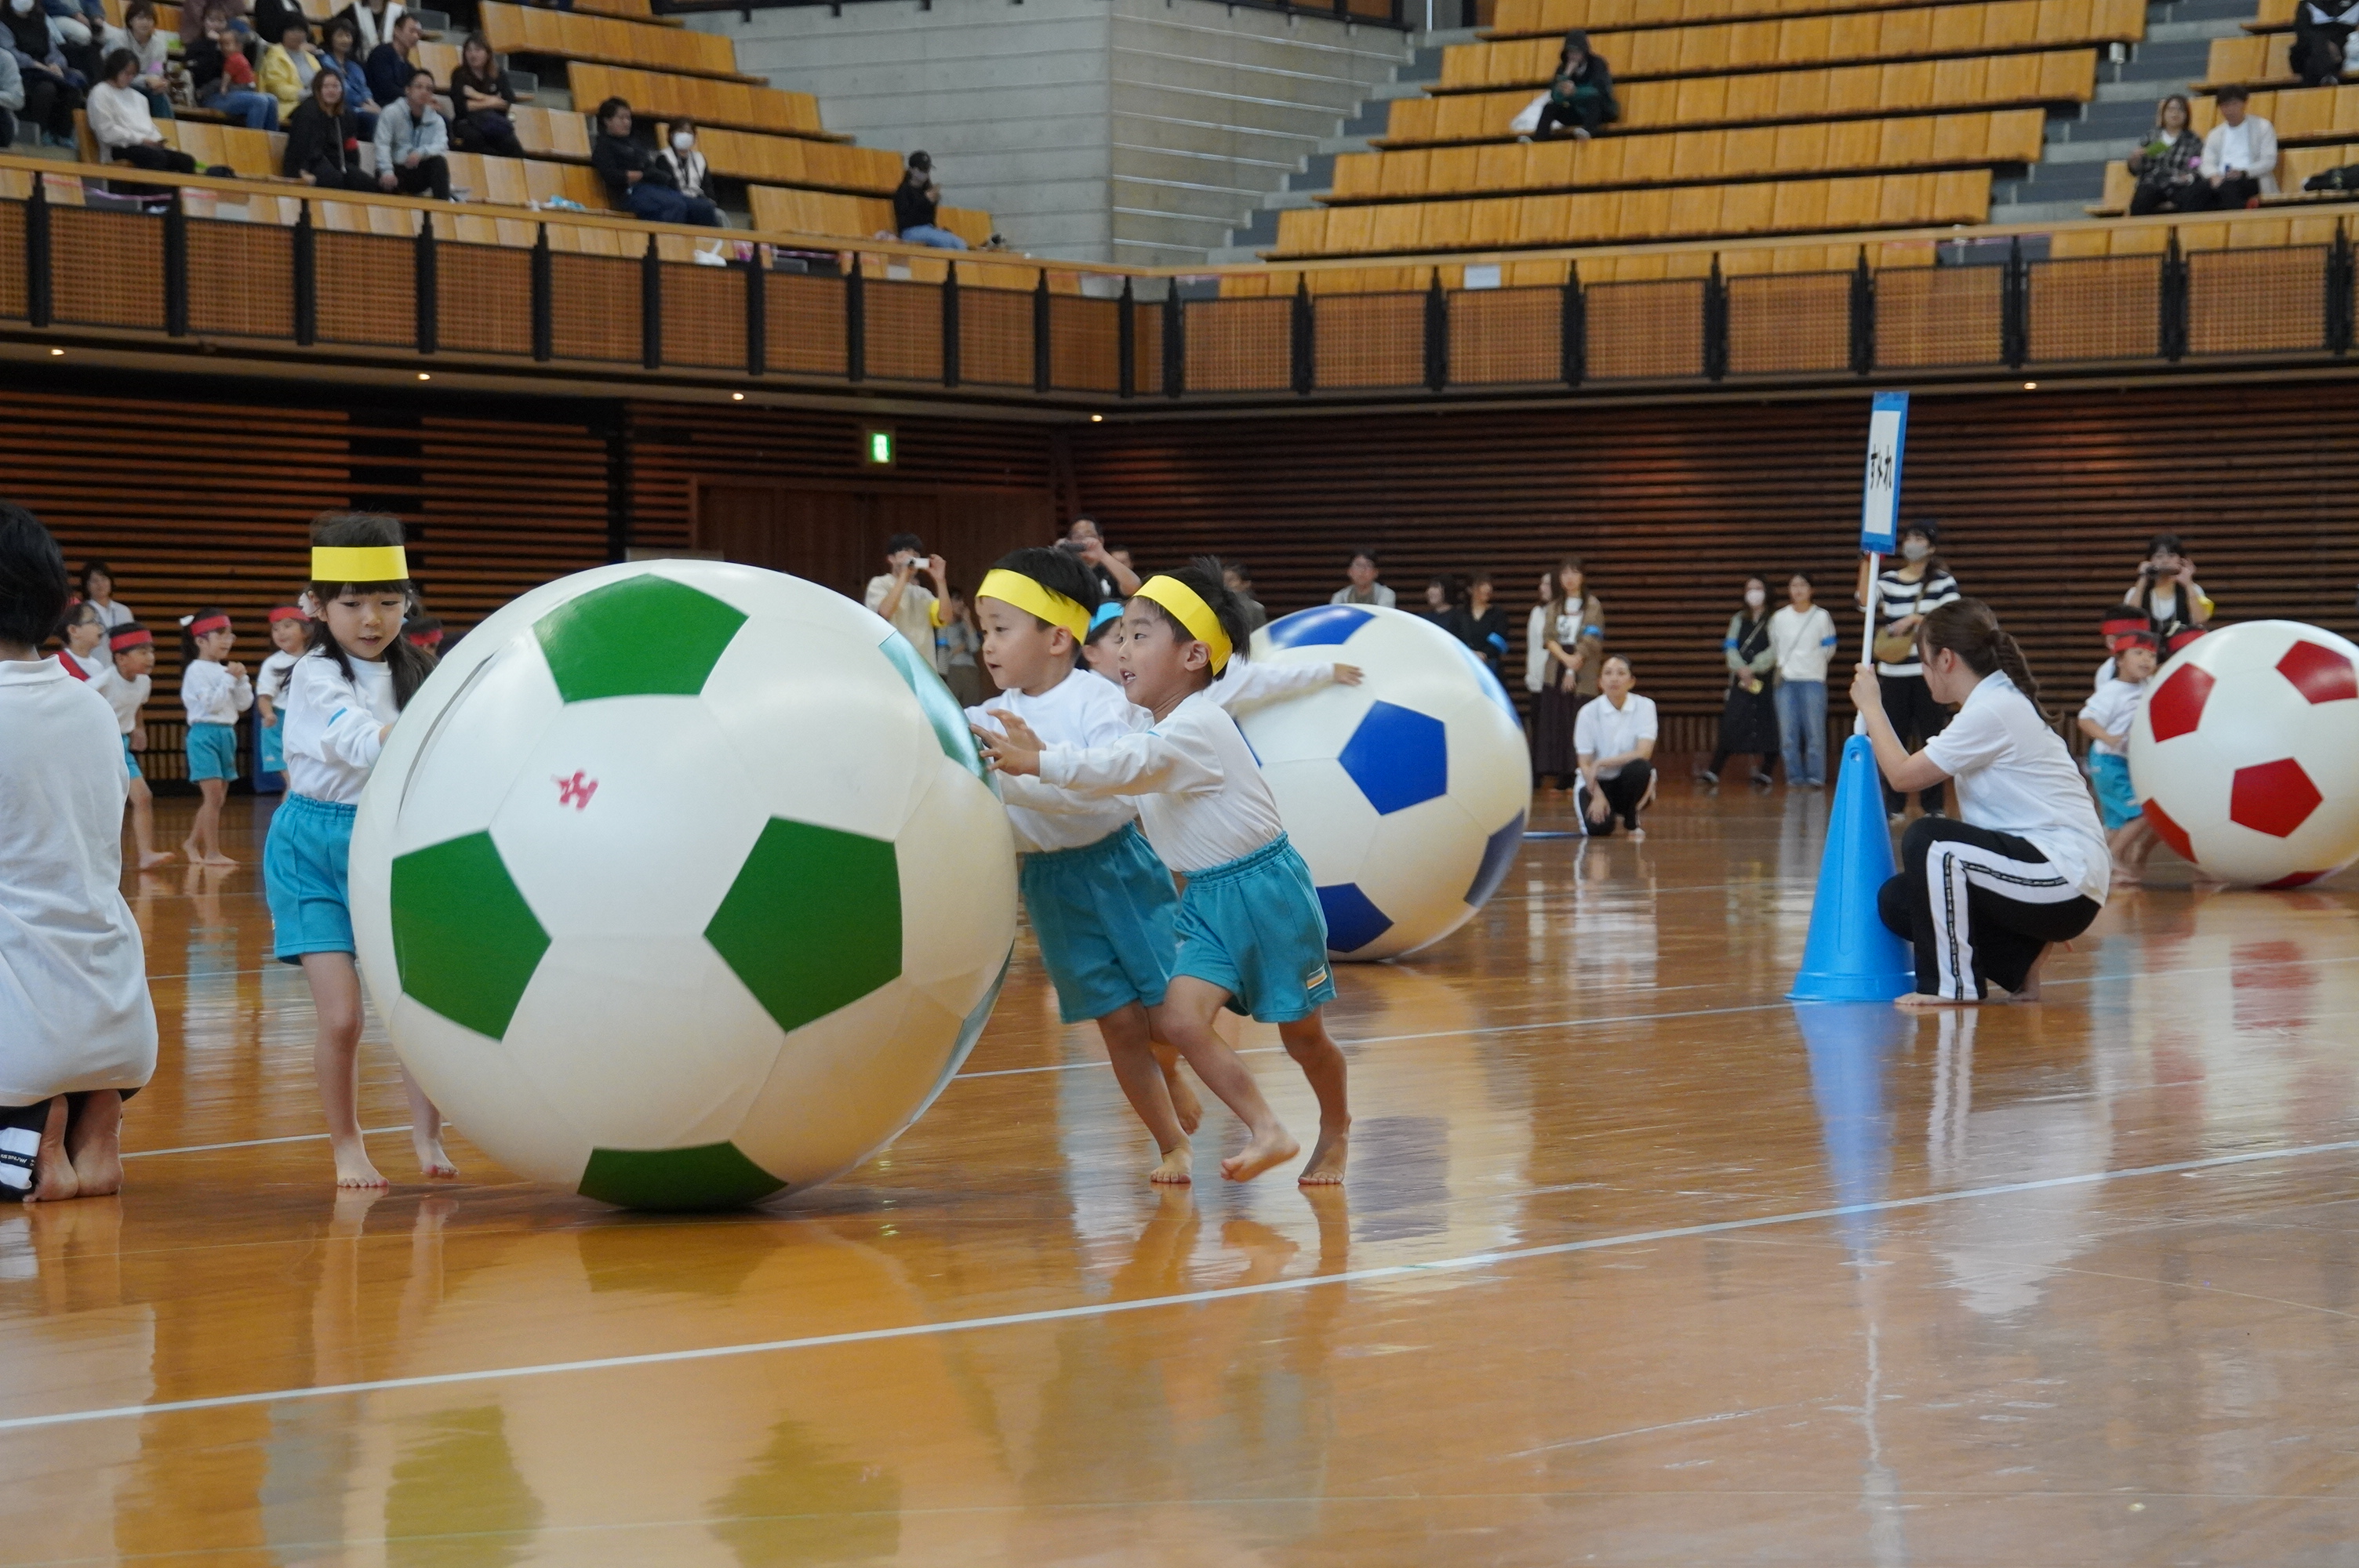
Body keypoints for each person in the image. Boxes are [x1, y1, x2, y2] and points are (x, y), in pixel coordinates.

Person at [976, 561, 1350, 1185]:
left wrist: (1038, 761)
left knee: (1303, 1039)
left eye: (1140, 637)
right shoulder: (1154, 723)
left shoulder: (1196, 726)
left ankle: (1336, 1128)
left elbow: (1121, 766)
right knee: (1177, 1020)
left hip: (1266, 892)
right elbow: (1120, 758)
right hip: (1207, 899)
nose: (1122, 650)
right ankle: (1268, 1129)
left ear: (1193, 656)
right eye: (1120, 636)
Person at [960, 550, 1203, 1175]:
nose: (988, 645)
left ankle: (1172, 1068)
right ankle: (1171, 1143)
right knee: (1116, 1024)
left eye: (1001, 628)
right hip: (1051, 885)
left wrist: (1034, 769)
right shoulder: (984, 719)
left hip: (1119, 869)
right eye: (983, 630)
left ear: (1057, 638)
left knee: (1164, 1016)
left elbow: (1111, 791)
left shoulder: (1098, 702)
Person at [267, 513, 455, 1188]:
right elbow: (355, 740)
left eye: (387, 601)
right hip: (310, 848)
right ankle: (347, 1145)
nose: (371, 619)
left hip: (386, 843)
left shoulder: (422, 671)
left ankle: (428, 1135)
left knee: (412, 1009)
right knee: (343, 1017)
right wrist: (433, 725)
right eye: (352, 604)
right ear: (317, 606)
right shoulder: (314, 673)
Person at [0, 502, 153, 1203]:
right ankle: (90, 1125)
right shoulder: (92, 707)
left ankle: (31, 1133)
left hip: (22, 1037)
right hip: (120, 1020)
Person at [1855, 598, 2108, 1008]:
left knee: (1931, 840)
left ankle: (1953, 985)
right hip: (2043, 875)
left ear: (1946, 659)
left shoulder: (1993, 709)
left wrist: (1871, 707)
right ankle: (2021, 962)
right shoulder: (1990, 704)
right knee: (1899, 900)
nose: (1924, 674)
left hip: (2061, 877)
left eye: (1924, 662)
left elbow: (1902, 777)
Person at [1857, 518, 1959, 821]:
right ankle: (1894, 804)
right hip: (1893, 674)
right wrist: (1867, 561)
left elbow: (1952, 618)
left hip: (1929, 674)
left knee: (1932, 739)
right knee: (1893, 737)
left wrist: (1915, 620)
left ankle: (1933, 805)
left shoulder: (1943, 582)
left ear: (1931, 547)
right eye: (1909, 538)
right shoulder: (1888, 580)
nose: (1912, 544)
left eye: (1919, 539)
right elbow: (1864, 602)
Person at [2078, 627, 2160, 886]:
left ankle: (2099, 868)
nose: (2146, 660)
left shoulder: (2147, 686)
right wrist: (2108, 737)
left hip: (2122, 763)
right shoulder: (2112, 691)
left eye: (2151, 655)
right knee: (2143, 812)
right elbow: (2085, 719)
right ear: (2120, 660)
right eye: (2138, 653)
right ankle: (2113, 857)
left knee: (2116, 823)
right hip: (2107, 762)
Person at [177, 607, 249, 866]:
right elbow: (211, 704)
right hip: (204, 735)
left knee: (218, 799)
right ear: (201, 641)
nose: (227, 641)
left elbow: (243, 703)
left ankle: (191, 843)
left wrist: (241, 681)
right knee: (213, 797)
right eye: (221, 635)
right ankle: (212, 852)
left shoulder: (225, 671)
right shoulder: (196, 670)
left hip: (226, 734)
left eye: (230, 635)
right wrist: (230, 680)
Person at [1529, 557, 1602, 790]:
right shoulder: (1554, 606)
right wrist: (1565, 659)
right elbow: (1548, 637)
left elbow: (1591, 638)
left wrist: (1573, 664)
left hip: (1582, 668)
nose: (1569, 578)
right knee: (1557, 721)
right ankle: (1560, 771)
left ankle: (1578, 770)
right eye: (1565, 573)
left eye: (1574, 573)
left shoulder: (1592, 604)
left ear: (1582, 576)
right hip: (1556, 667)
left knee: (1578, 719)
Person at [590, 96, 720, 226]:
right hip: (632, 193)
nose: (627, 122)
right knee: (675, 205)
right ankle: (668, 238)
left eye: (628, 118)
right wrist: (642, 175)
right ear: (607, 121)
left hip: (655, 190)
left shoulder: (635, 144)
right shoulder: (604, 147)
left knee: (704, 208)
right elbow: (612, 175)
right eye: (621, 118)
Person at [104, 622, 171, 869]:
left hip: (121, 745)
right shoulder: (103, 681)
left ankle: (145, 854)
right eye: (142, 652)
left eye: (151, 651)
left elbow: (137, 705)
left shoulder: (144, 682)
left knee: (142, 796)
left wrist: (138, 728)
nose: (150, 657)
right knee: (105, 804)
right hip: (101, 746)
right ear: (121, 658)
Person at [1702, 575, 1778, 789]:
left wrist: (1754, 668)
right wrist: (1741, 669)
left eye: (1758, 588)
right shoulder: (1738, 618)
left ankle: (1766, 772)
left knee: (1768, 723)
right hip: (1740, 679)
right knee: (1732, 722)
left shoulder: (1775, 619)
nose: (1754, 593)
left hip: (1765, 679)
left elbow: (1776, 649)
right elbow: (1730, 646)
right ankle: (1714, 770)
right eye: (1749, 589)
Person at [1768, 570, 1837, 789]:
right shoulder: (1779, 617)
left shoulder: (1821, 616)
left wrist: (1815, 664)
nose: (1798, 590)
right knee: (1788, 734)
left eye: (1803, 585)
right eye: (1794, 585)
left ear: (1811, 590)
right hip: (1786, 681)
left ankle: (1816, 777)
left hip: (1813, 680)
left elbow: (1829, 647)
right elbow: (1775, 645)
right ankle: (1794, 777)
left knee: (1815, 732)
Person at [1574, 653, 1655, 838]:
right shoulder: (1587, 712)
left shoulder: (1645, 706)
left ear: (1631, 681)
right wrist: (1597, 795)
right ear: (1600, 682)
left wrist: (1601, 762)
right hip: (1594, 782)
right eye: (1608, 673)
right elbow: (1585, 763)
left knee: (1641, 768)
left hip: (1625, 780)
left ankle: (1630, 816)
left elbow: (1644, 752)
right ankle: (1604, 811)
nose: (1614, 679)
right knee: (1599, 830)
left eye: (1621, 673)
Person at [88, 47, 196, 172]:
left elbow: (148, 126)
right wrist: (140, 140)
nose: (130, 78)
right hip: (119, 146)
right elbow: (106, 132)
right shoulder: (100, 92)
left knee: (186, 161)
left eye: (133, 74)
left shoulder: (139, 98)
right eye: (126, 73)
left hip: (145, 145)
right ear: (114, 70)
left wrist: (157, 141)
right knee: (156, 158)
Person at [5, 0, 83, 148]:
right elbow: (10, 52)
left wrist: (56, 64)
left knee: (72, 89)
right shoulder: (3, 22)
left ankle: (63, 135)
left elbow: (52, 48)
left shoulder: (40, 19)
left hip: (46, 69)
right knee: (46, 89)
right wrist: (36, 65)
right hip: (21, 71)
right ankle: (40, 133)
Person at [863, 532, 949, 667]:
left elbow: (945, 617)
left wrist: (940, 580)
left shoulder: (923, 594)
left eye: (916, 554)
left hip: (924, 666)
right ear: (891, 558)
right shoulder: (880, 583)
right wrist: (904, 574)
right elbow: (885, 612)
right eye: (906, 552)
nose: (912, 557)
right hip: (892, 664)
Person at [284, 66, 373, 189]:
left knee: (365, 182)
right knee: (333, 179)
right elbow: (299, 146)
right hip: (309, 163)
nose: (331, 91)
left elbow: (350, 147)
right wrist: (302, 171)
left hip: (335, 161)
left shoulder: (346, 114)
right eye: (326, 87)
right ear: (318, 89)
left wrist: (353, 171)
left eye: (335, 86)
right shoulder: (308, 111)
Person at [2117, 532, 2212, 646]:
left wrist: (2188, 584)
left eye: (2171, 556)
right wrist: (2143, 578)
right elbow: (2130, 622)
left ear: (2181, 560)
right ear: (2150, 561)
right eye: (2159, 556)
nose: (2165, 560)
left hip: (2183, 649)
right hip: (2148, 650)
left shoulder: (2193, 589)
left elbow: (2200, 621)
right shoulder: (2136, 592)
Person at [373, 67, 450, 200]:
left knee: (439, 162)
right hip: (395, 168)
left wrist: (421, 152)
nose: (424, 92)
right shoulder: (391, 112)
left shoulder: (436, 120)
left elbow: (442, 146)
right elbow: (382, 144)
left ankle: (444, 207)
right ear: (408, 90)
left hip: (418, 170)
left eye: (429, 89)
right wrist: (387, 171)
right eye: (419, 87)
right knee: (384, 178)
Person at [2194, 88, 2277, 209]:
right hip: (2221, 179)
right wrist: (2214, 175)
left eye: (2234, 104)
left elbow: (2269, 161)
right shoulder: (2215, 134)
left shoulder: (2263, 127)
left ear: (2244, 103)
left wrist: (2243, 172)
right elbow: (2206, 162)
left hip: (2251, 177)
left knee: (2229, 188)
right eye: (2225, 106)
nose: (2230, 110)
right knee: (2195, 192)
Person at [189, 14, 277, 130]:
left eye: (221, 21)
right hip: (211, 95)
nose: (216, 25)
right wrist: (214, 46)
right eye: (212, 20)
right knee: (259, 101)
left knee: (272, 100)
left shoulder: (235, 50)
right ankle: (253, 140)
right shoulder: (199, 46)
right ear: (204, 22)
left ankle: (269, 139)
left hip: (234, 91)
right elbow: (200, 74)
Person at [448, 31, 522, 158]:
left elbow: (508, 102)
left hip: (494, 122)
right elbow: (462, 107)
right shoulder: (459, 74)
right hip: (467, 122)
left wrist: (477, 96)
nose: (473, 55)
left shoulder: (498, 74)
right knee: (475, 138)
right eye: (469, 50)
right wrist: (494, 101)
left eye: (477, 50)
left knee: (512, 144)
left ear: (487, 53)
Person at [255, 601, 306, 783]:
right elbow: (264, 697)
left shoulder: (316, 659)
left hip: (305, 723)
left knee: (303, 783)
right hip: (280, 725)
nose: (281, 632)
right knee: (294, 783)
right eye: (276, 629)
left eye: (287, 626)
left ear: (305, 630)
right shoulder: (273, 664)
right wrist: (268, 714)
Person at [2127, 95, 2205, 216]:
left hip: (2179, 185)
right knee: (2142, 197)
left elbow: (2196, 166)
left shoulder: (2194, 141)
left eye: (2180, 110)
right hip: (2153, 183)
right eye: (2171, 109)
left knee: (2195, 196)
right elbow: (2136, 170)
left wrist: (2188, 177)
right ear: (2163, 113)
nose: (2175, 113)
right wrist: (2134, 160)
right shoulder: (2151, 137)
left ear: (2187, 115)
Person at [99, 1, 175, 121]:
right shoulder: (119, 39)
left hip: (143, 87)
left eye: (149, 19)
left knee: (160, 96)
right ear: (130, 21)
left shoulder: (159, 46)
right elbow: (118, 74)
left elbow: (156, 73)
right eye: (140, 18)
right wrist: (146, 80)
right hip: (116, 84)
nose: (145, 23)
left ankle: (166, 128)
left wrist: (158, 83)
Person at [1536, 28, 1616, 140]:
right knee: (1549, 108)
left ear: (1584, 52)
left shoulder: (1597, 64)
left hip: (1601, 112)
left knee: (1594, 101)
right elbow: (1556, 98)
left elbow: (1601, 91)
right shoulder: (1563, 69)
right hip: (1578, 112)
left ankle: (1588, 131)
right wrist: (1566, 75)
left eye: (1576, 52)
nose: (1573, 56)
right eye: (1570, 52)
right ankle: (1539, 139)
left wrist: (1575, 92)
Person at [893, 150, 966, 249]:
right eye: (922, 169)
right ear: (912, 170)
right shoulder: (904, 190)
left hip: (927, 229)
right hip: (910, 231)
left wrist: (932, 203)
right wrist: (925, 201)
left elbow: (929, 219)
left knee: (960, 244)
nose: (926, 173)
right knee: (946, 243)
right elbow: (905, 220)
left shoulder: (926, 189)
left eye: (927, 170)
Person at [256, 12, 323, 121]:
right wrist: (304, 95)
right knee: (314, 111)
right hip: (287, 107)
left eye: (301, 31)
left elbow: (321, 80)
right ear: (282, 32)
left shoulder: (311, 58)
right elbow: (277, 87)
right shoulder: (275, 56)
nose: (297, 35)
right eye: (292, 30)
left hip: (313, 103)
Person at [317, 16, 372, 136]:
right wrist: (363, 105)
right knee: (371, 119)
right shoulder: (325, 61)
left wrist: (371, 103)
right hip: (340, 107)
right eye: (340, 36)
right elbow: (342, 90)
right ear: (330, 38)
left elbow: (364, 88)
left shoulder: (354, 66)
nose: (345, 40)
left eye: (348, 36)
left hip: (360, 107)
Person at [1062, 518, 1139, 599]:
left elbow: (1134, 588)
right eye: (1078, 536)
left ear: (1100, 540)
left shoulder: (1111, 570)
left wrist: (1102, 554)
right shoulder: (1066, 570)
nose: (1083, 541)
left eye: (1089, 536)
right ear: (1070, 541)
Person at [1459, 570, 1510, 684]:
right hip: (1467, 669)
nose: (1487, 588)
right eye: (1482, 584)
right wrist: (1471, 653)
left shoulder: (1497, 613)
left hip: (1491, 669)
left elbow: (1500, 641)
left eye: (1489, 584)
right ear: (1470, 589)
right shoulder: (1461, 614)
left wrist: (1484, 654)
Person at [2291, 1, 2358, 87]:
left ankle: (2327, 81)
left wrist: (2338, 48)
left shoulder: (2355, 4)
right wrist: (2327, 45)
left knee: (2312, 63)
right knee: (2315, 49)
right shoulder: (2308, 3)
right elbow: (2302, 32)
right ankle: (2329, 80)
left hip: (2344, 48)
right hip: (2311, 49)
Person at [652, 115, 711, 208]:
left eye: (689, 132)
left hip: (698, 201)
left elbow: (708, 188)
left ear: (694, 137)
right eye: (681, 131)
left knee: (718, 214)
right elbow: (668, 186)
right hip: (675, 202)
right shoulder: (664, 157)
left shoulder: (699, 158)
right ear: (671, 135)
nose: (685, 135)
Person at [937, 588, 984, 706]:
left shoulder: (964, 625)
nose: (962, 604)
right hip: (952, 671)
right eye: (957, 600)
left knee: (971, 709)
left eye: (962, 600)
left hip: (970, 670)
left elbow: (974, 647)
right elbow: (940, 659)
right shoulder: (941, 626)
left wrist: (968, 622)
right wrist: (957, 650)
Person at [362, 9, 416, 107]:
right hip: (381, 105)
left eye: (419, 33)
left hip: (402, 105)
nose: (416, 36)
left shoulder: (409, 66)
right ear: (397, 31)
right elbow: (385, 88)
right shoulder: (381, 53)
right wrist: (412, 97)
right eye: (412, 31)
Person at [1329, 547, 1394, 608]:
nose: (1362, 570)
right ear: (1349, 571)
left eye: (1368, 565)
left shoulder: (1386, 594)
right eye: (1358, 565)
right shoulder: (1340, 597)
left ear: (1375, 572)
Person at [332, 0, 401, 57]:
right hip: (364, 63)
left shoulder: (398, 12)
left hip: (393, 63)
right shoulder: (353, 10)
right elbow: (332, 26)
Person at [78, 561, 132, 630]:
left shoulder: (123, 611)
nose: (100, 584)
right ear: (86, 585)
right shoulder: (81, 613)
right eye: (94, 580)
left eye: (104, 579)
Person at [1220, 560, 1267, 635]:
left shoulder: (1257, 608)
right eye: (1223, 581)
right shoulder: (1217, 607)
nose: (1226, 585)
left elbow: (1261, 636)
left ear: (1246, 584)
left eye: (1231, 580)